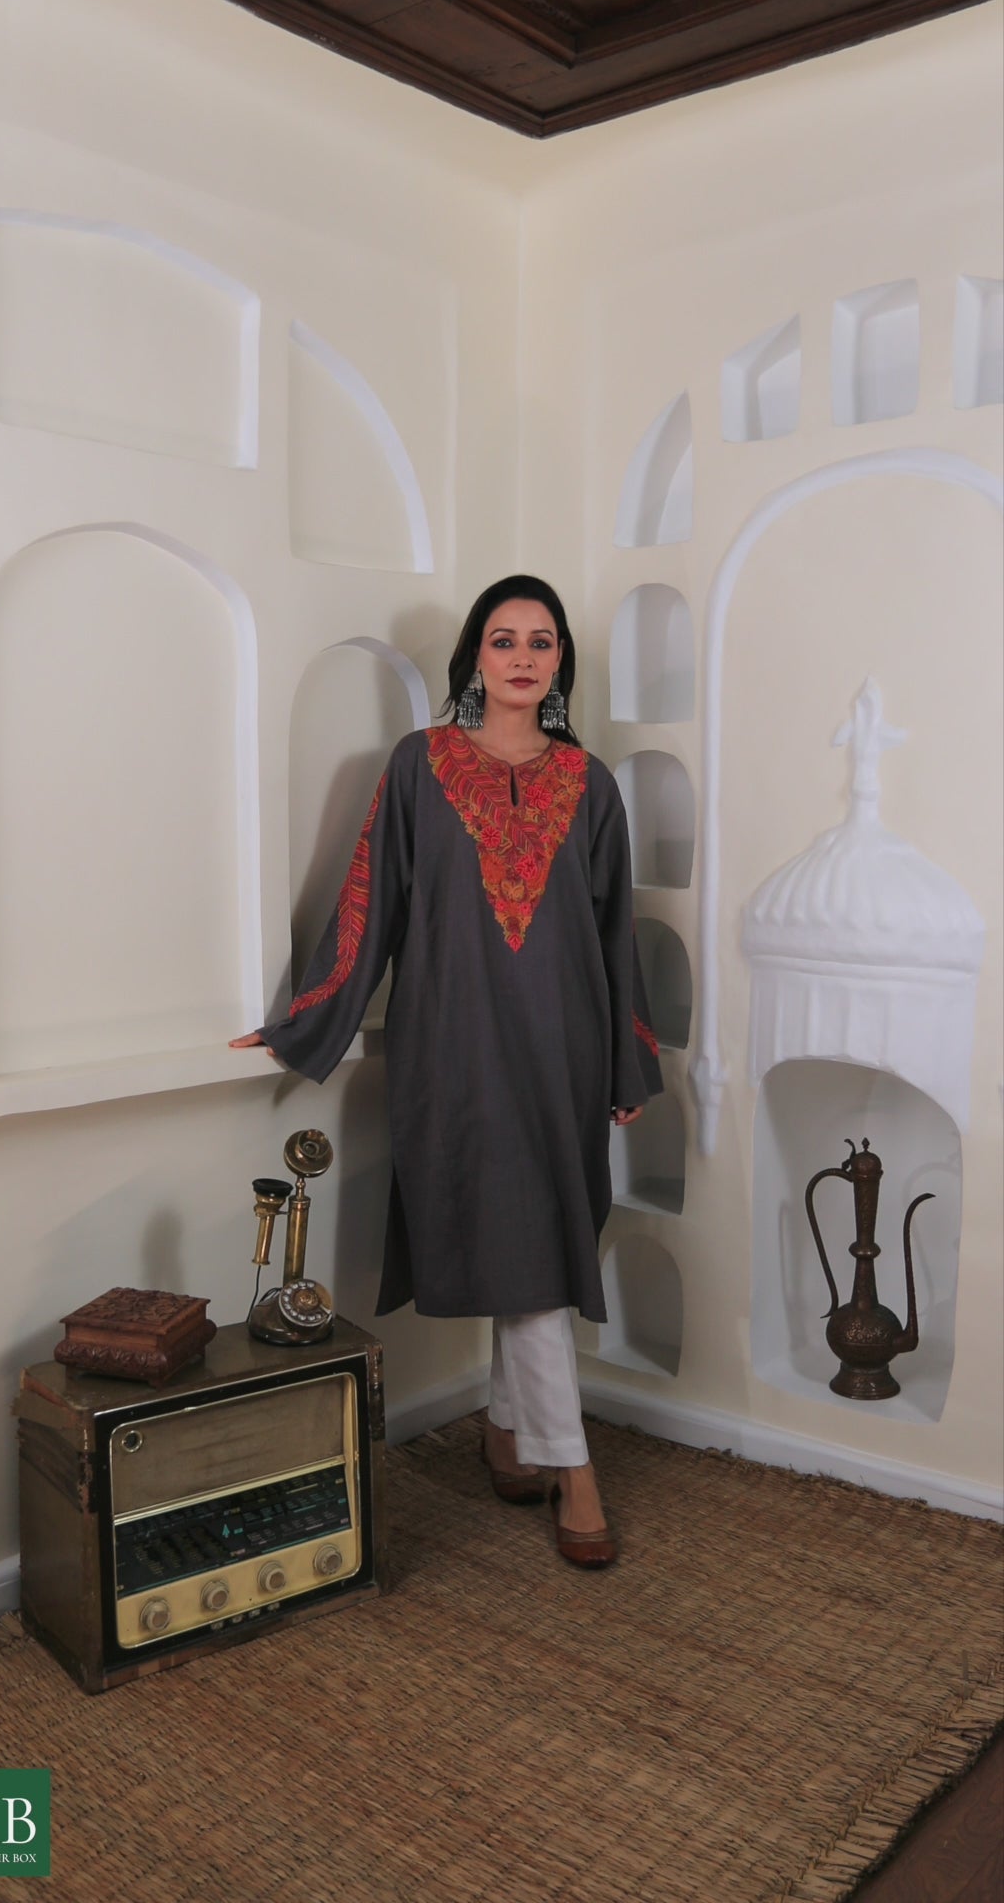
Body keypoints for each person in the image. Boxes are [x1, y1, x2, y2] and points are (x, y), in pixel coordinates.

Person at [231, 574, 662, 1567]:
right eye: (504, 639)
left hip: (562, 1045)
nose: (523, 657)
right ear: (474, 657)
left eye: (542, 642)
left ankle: (513, 1431)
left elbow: (615, 933)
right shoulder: (420, 768)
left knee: (538, 1239)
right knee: (524, 1238)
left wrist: (626, 1063)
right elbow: (369, 903)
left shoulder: (590, 782)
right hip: (457, 1043)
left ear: (561, 661)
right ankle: (570, 1467)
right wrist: (303, 1022)